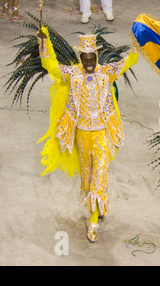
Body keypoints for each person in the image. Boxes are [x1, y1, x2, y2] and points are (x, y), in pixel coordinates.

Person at [37, 27, 139, 242]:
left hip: (102, 132)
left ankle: (93, 221)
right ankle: (97, 206)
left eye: (92, 57)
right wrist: (43, 44)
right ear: (80, 58)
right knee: (87, 177)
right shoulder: (72, 74)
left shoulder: (106, 72)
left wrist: (137, 45)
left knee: (99, 174)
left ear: (97, 56)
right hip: (81, 135)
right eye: (85, 58)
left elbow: (129, 62)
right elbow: (51, 67)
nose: (89, 62)